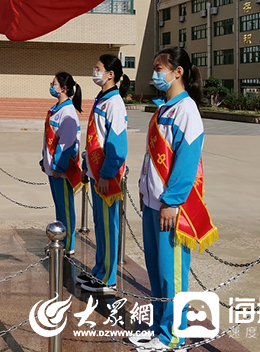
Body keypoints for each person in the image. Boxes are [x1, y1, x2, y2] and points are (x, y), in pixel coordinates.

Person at [131, 47, 218, 352]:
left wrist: (171, 201)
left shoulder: (187, 111)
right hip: (153, 202)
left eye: (159, 68)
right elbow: (150, 158)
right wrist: (144, 189)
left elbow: (186, 162)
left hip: (171, 207)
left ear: (177, 72)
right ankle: (159, 327)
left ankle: (174, 335)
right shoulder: (163, 108)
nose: (155, 74)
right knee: (155, 270)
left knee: (173, 274)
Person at [75, 54, 129, 295]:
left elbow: (117, 144)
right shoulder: (102, 99)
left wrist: (106, 174)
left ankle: (108, 278)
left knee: (108, 226)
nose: (94, 72)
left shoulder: (114, 103)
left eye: (98, 69)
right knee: (100, 224)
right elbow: (95, 138)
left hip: (107, 176)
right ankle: (99, 269)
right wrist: (88, 169)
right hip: (97, 174)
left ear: (110, 74)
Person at [39, 71, 83, 255]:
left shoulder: (68, 112)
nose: (51, 86)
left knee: (66, 207)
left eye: (54, 83)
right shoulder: (56, 109)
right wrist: (45, 160)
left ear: (63, 88)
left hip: (62, 170)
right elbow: (49, 139)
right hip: (52, 168)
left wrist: (58, 166)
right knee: (59, 206)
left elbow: (67, 144)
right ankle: (60, 240)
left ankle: (68, 244)